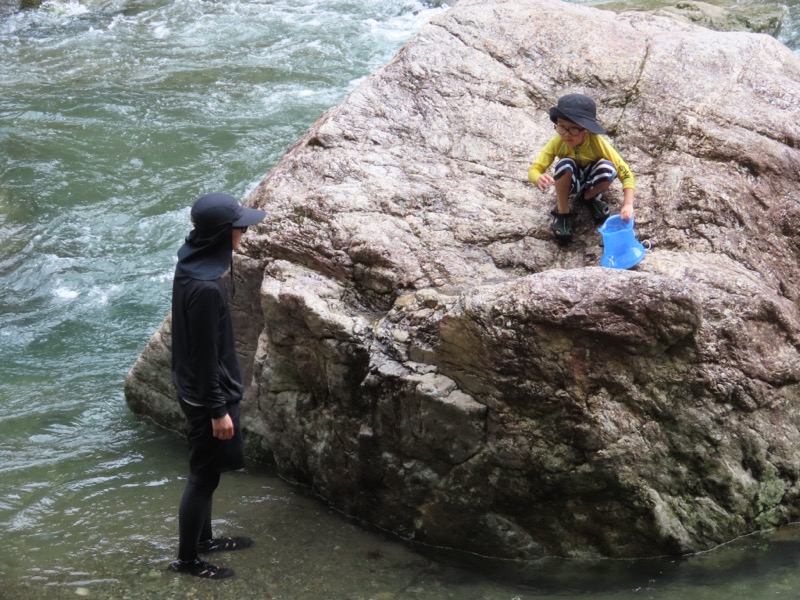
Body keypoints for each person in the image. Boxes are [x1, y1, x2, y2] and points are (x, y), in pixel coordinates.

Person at [168, 192, 266, 580]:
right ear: (223, 233)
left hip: (192, 385)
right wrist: (217, 410)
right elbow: (206, 355)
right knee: (203, 476)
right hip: (207, 395)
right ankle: (188, 561)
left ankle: (204, 540)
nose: (244, 231)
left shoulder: (190, 263)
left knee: (207, 473)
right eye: (239, 225)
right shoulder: (206, 290)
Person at [528, 93, 635, 243]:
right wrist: (537, 177)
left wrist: (628, 204)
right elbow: (535, 169)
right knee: (564, 165)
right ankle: (563, 211)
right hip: (571, 182)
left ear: (586, 129)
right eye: (561, 127)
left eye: (573, 129)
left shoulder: (597, 143)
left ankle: (589, 197)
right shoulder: (558, 141)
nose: (566, 134)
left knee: (608, 168)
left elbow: (625, 172)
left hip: (593, 180)